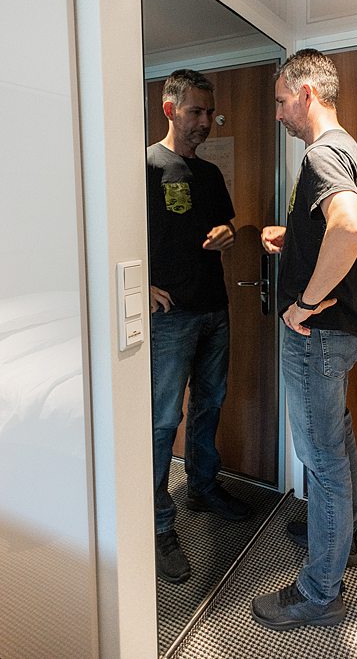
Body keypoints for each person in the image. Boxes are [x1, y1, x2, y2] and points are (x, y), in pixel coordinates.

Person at [252, 49, 357, 630]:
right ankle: (338, 538)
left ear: (305, 93)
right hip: (340, 331)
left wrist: (301, 304)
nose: (277, 113)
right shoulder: (344, 148)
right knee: (337, 439)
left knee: (321, 461)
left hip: (319, 332)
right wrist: (292, 235)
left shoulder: (324, 153)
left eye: (280, 101)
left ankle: (320, 590)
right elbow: (330, 227)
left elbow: (349, 224)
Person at [147, 68, 251, 585]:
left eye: (210, 112)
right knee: (164, 421)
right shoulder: (143, 165)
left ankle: (204, 488)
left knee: (211, 403)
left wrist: (228, 235)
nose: (205, 122)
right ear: (170, 110)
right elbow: (108, 232)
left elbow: (226, 224)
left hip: (214, 308)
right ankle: (158, 525)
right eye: (196, 112)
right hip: (169, 319)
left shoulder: (208, 175)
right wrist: (138, 286)